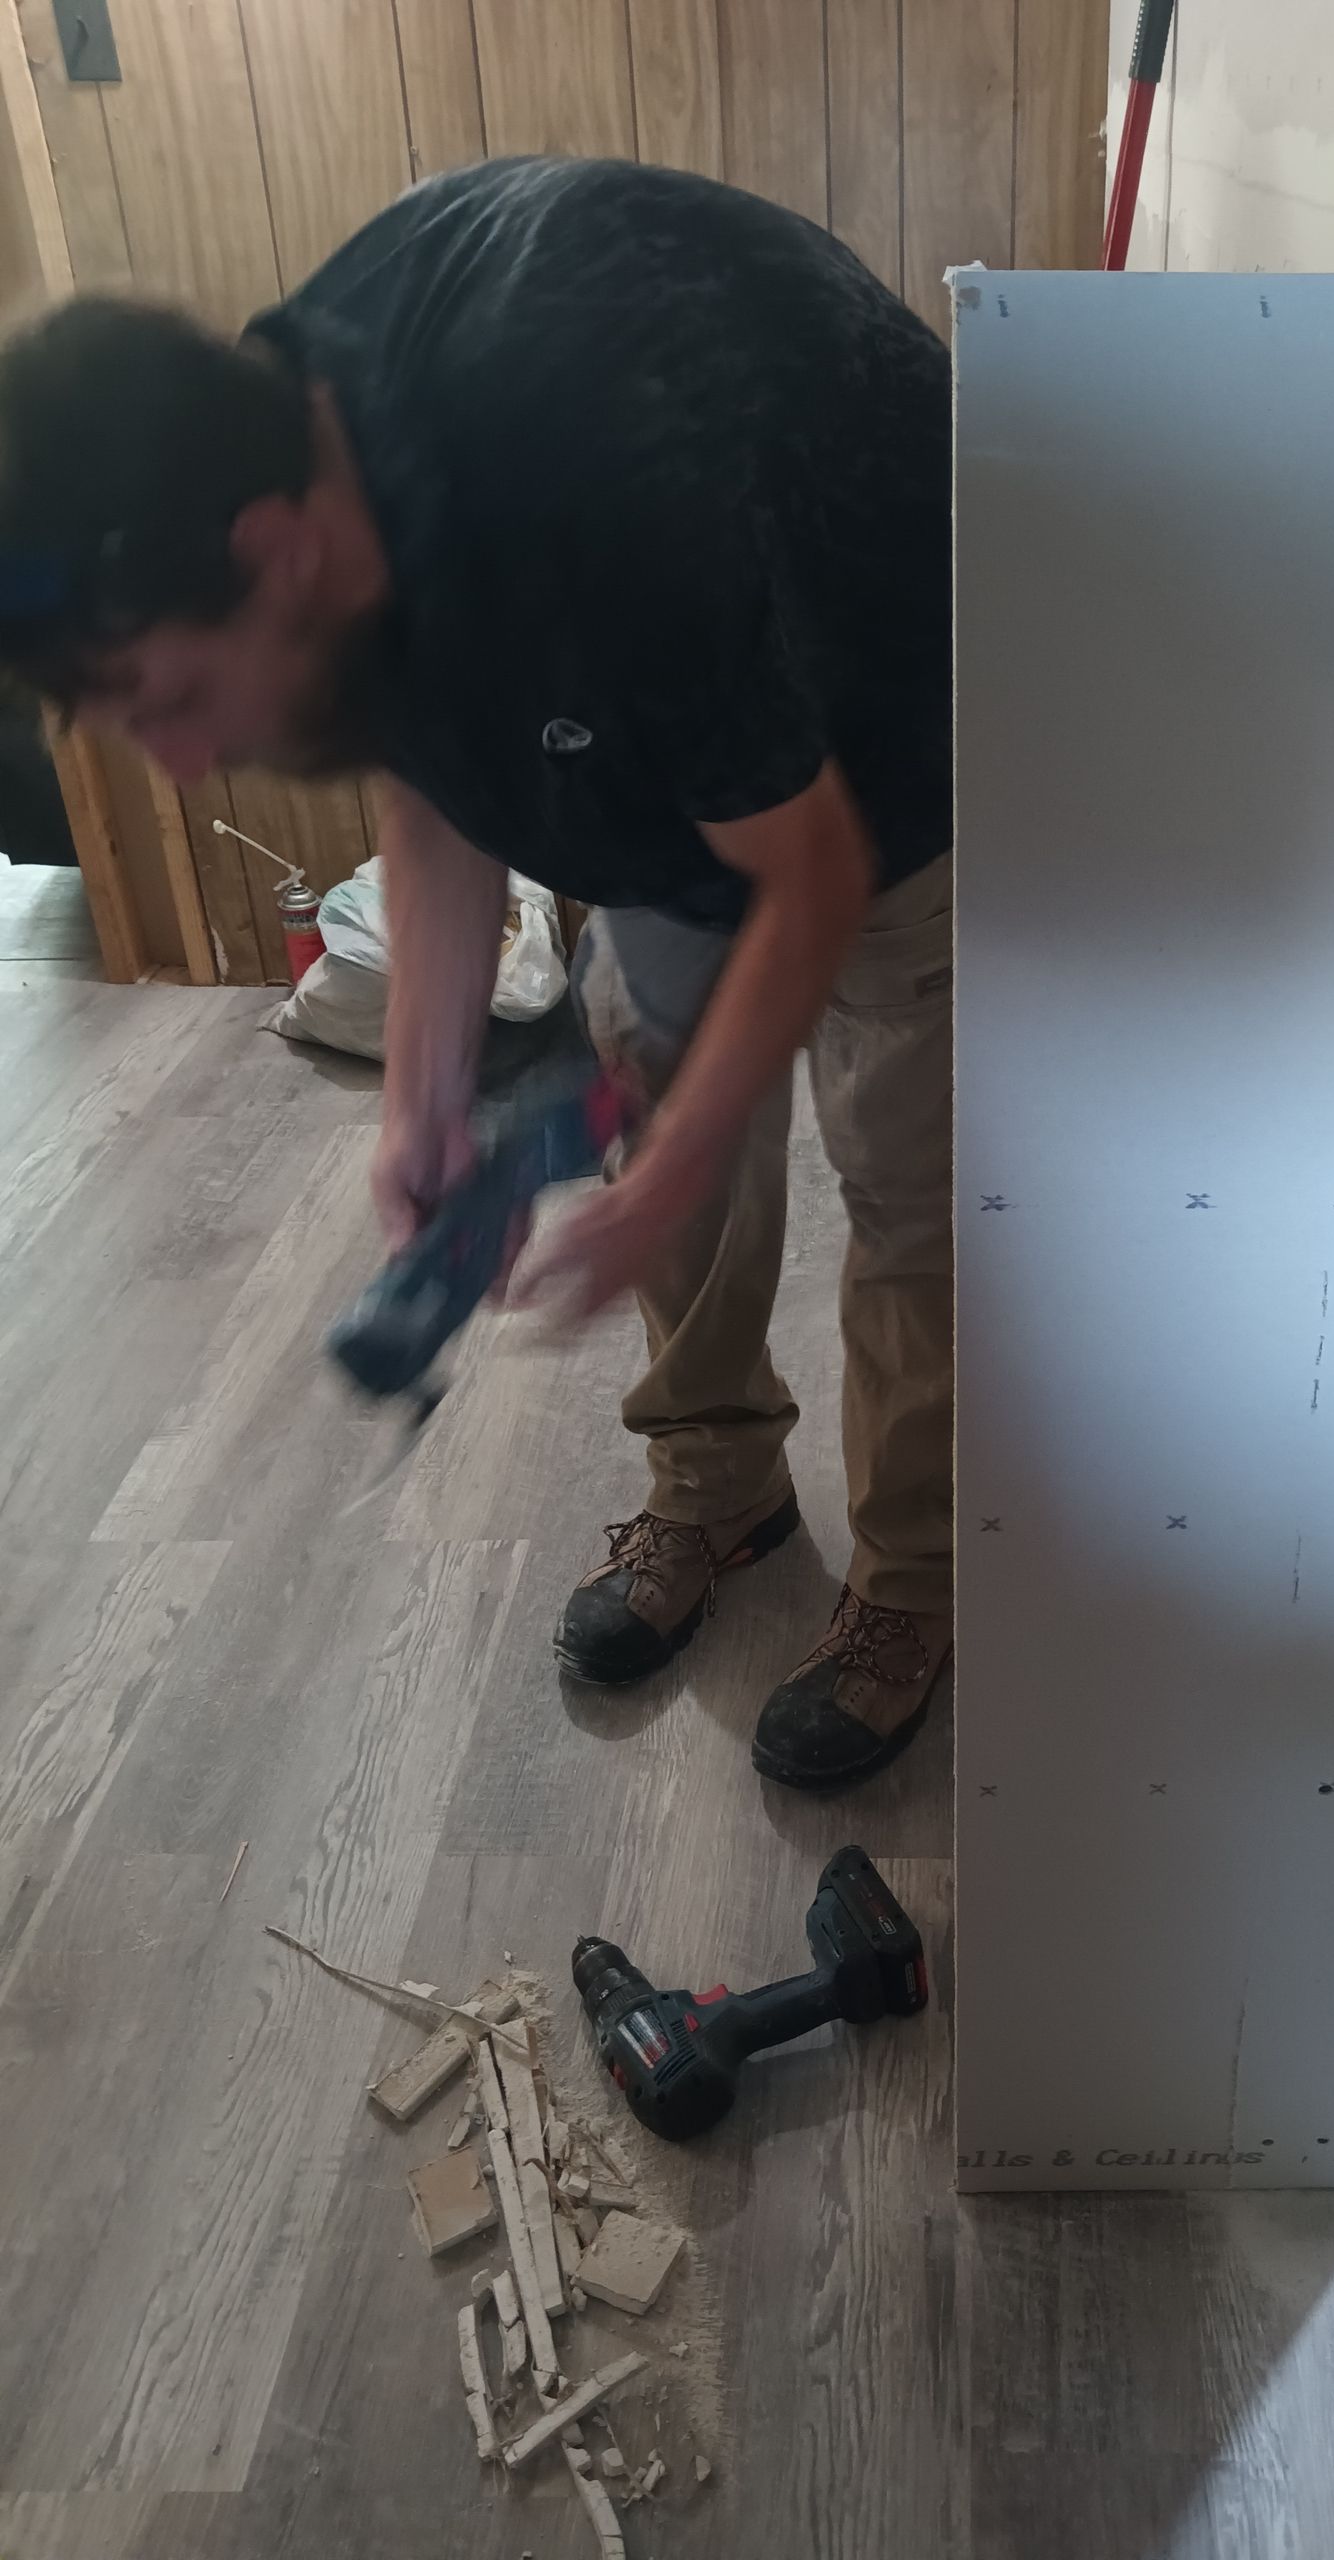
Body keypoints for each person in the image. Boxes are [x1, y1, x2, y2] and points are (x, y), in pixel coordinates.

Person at [0, 157, 956, 1791]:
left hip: (887, 730)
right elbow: (426, 765)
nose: (179, 764)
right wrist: (425, 1087)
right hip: (679, 726)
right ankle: (717, 1488)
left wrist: (664, 1179)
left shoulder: (592, 482)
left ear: (277, 553)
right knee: (656, 1105)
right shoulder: (286, 428)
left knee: (908, 1179)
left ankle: (914, 1580)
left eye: (165, 699)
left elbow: (809, 879)